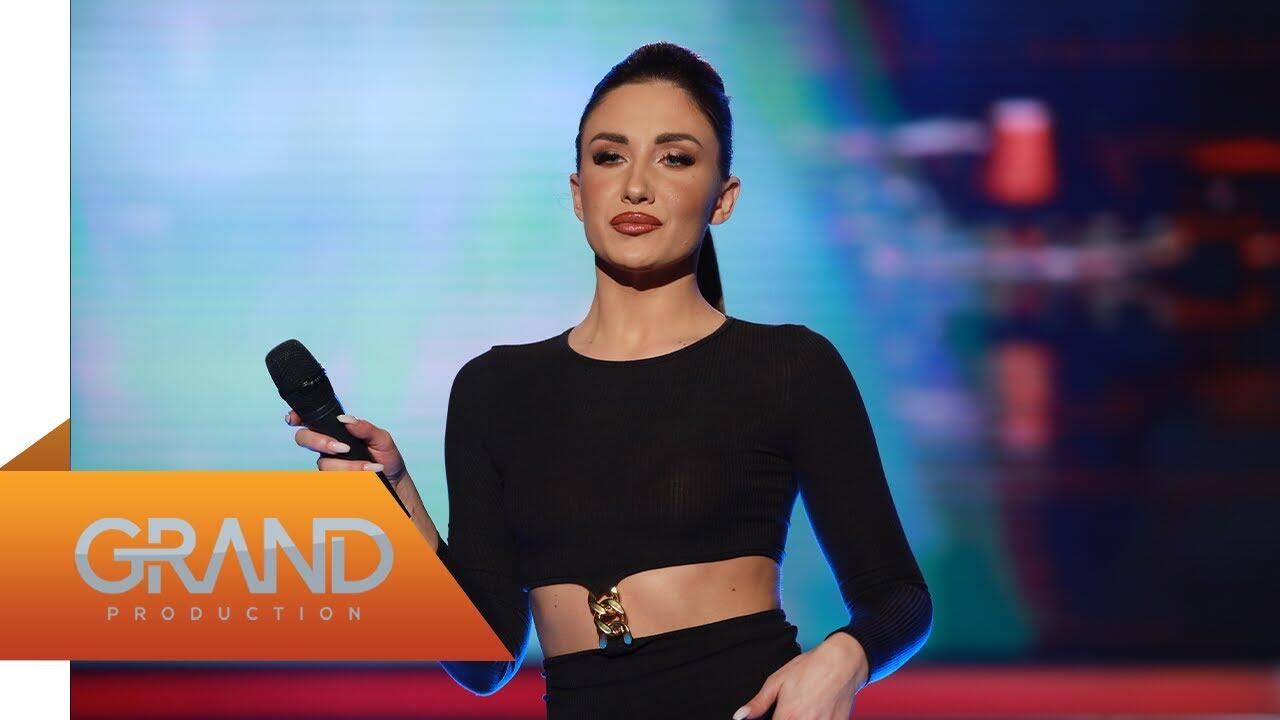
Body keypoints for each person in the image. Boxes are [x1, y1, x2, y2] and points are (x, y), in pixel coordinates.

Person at [285, 41, 932, 719]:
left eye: (675, 158)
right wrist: (393, 497)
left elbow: (897, 596)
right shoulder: (494, 388)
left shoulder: (788, 365)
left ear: (724, 198)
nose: (636, 186)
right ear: (578, 192)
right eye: (609, 157)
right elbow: (483, 661)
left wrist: (842, 658)